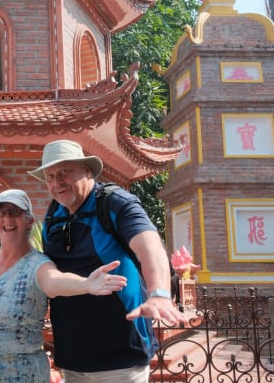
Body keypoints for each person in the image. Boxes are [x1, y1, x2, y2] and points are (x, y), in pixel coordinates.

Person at [28, 139, 188, 383]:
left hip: (121, 356)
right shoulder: (55, 213)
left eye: (65, 171)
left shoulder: (114, 202)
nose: (57, 182)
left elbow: (150, 247)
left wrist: (159, 295)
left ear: (87, 170)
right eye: (50, 175)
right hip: (73, 358)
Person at [0, 189, 127, 383]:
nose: (7, 218)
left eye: (15, 212)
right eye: (1, 213)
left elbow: (53, 282)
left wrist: (85, 284)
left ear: (29, 221)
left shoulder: (37, 264)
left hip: (21, 376)